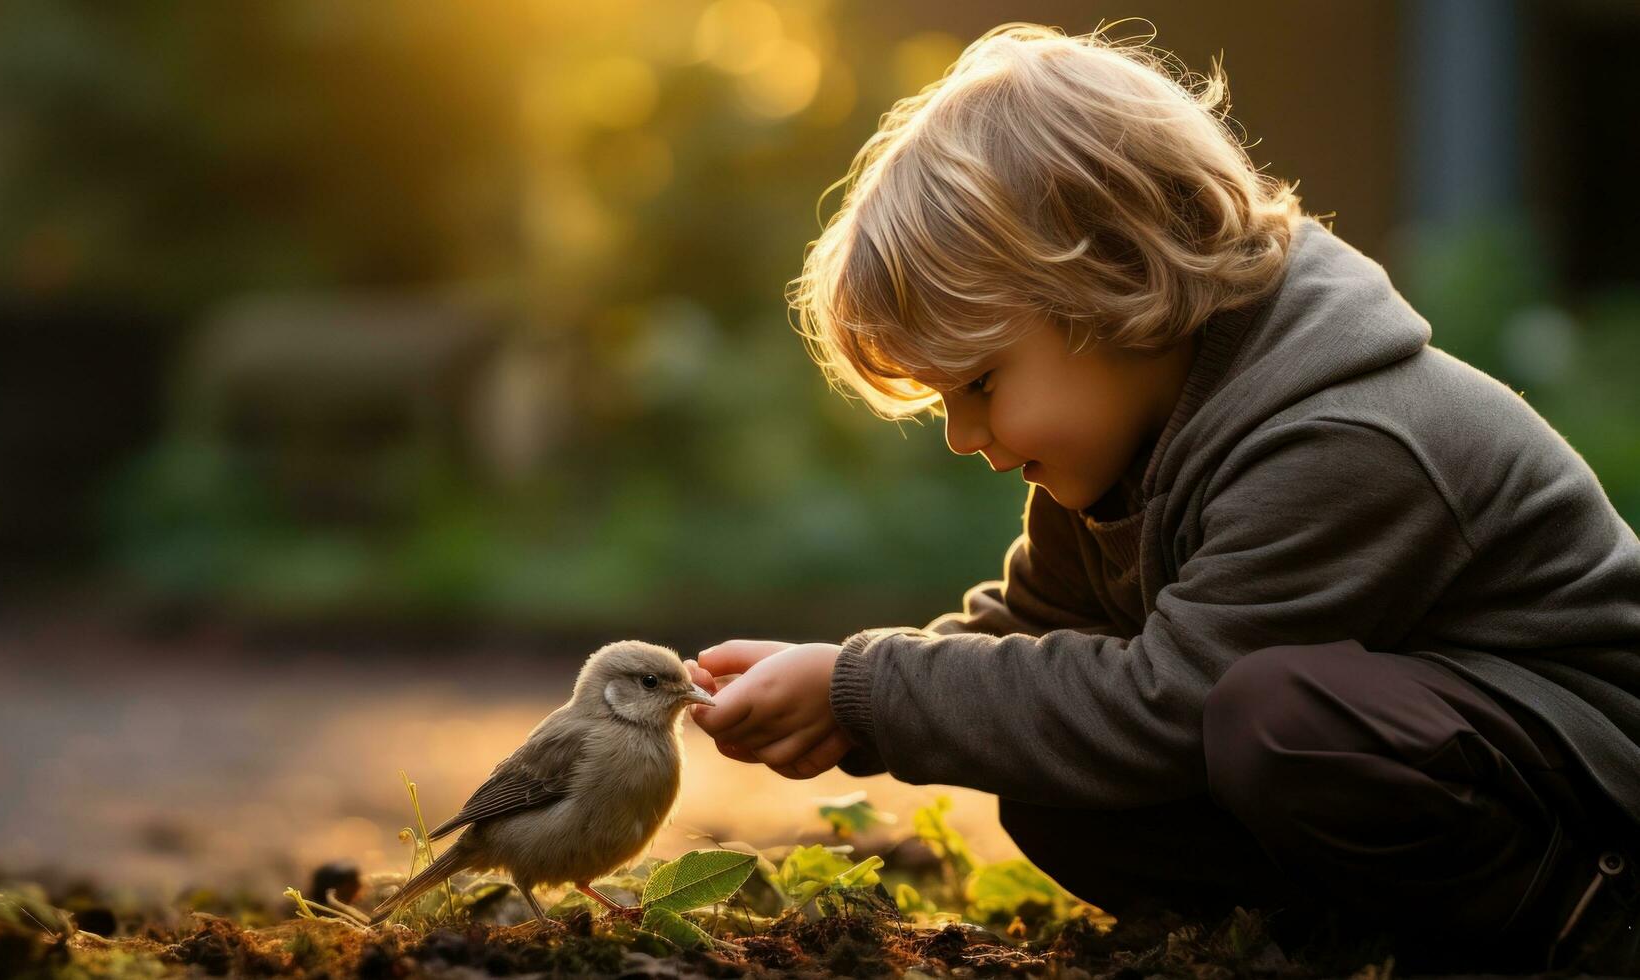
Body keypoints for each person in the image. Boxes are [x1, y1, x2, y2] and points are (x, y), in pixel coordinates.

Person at [683, 21, 1640, 973]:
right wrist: (838, 691)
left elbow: (1172, 703)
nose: (964, 437)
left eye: (978, 385)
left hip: (1590, 795)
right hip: (1426, 766)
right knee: (1049, 773)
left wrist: (867, 690)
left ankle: (1581, 931)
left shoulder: (1343, 439)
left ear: (1116, 281)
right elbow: (1027, 643)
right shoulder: (1124, 450)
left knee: (1272, 717)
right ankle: (1339, 942)